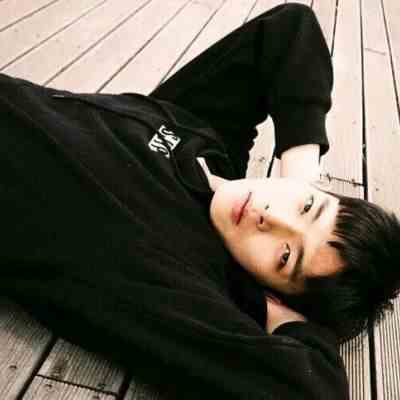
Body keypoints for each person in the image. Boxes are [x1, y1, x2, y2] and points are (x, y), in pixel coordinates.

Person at [1, 2, 399, 399]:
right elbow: (292, 27)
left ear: (273, 293)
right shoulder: (214, 143)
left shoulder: (175, 272)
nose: (270, 215)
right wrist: (300, 180)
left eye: (284, 256)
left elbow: (310, 391)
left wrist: (286, 321)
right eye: (307, 207)